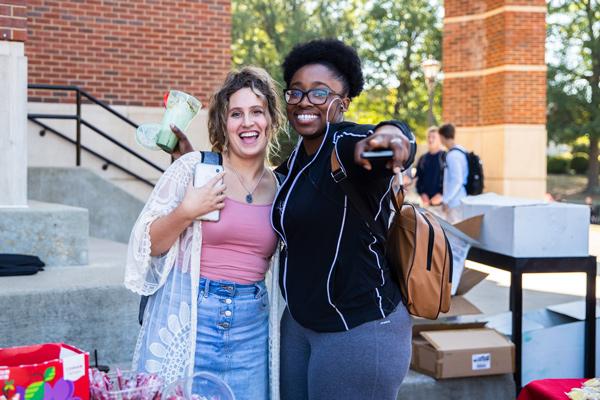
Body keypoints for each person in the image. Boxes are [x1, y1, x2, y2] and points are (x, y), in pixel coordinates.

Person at [124, 66, 285, 400]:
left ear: (271, 120)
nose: (247, 122)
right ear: (223, 123)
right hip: (192, 317)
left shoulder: (281, 187)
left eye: (257, 112)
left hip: (252, 329)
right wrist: (187, 211)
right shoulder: (193, 168)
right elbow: (148, 244)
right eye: (236, 114)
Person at [272, 39, 416, 400]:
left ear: (343, 102)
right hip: (300, 325)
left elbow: (382, 141)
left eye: (320, 93)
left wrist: (393, 138)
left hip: (359, 329)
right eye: (296, 92)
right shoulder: (294, 164)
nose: (305, 102)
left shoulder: (346, 145)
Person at [439, 123, 468, 223]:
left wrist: (446, 200)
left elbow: (457, 180)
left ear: (442, 136)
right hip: (460, 198)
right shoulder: (461, 151)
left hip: (455, 202)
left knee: (453, 235)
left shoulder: (452, 155)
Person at [414, 126, 445, 206]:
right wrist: (422, 194)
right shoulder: (423, 158)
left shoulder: (445, 157)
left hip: (443, 203)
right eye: (429, 137)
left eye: (434, 137)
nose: (430, 139)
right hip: (426, 204)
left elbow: (451, 180)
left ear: (440, 139)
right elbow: (418, 179)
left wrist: (442, 195)